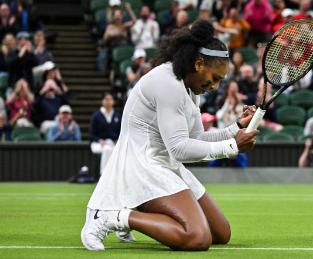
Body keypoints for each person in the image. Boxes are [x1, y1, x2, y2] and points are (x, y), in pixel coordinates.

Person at [81, 20, 258, 251]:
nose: (215, 86)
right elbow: (180, 149)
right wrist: (232, 147)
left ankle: (139, 207)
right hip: (142, 166)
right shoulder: (167, 82)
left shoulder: (190, 87)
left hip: (165, 165)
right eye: (214, 78)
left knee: (220, 233)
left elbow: (196, 139)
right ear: (198, 63)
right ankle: (111, 216)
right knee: (197, 237)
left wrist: (235, 129)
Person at [89, 92, 122, 175]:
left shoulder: (117, 116)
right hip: (97, 143)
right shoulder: (96, 116)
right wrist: (100, 141)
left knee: (115, 150)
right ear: (102, 101)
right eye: (106, 99)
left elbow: (120, 133)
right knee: (107, 149)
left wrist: (116, 141)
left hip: (113, 143)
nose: (108, 101)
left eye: (110, 99)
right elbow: (92, 135)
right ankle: (103, 174)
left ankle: (115, 175)